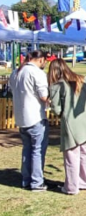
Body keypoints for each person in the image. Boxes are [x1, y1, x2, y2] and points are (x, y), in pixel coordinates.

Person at [48, 59, 86, 195]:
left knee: (71, 155)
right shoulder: (83, 79)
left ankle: (72, 187)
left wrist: (61, 114)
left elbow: (56, 108)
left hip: (71, 123)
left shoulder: (57, 85)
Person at [9, 50, 49, 191]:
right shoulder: (37, 73)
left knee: (27, 149)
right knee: (37, 150)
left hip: (21, 117)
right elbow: (44, 96)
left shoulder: (16, 72)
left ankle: (26, 179)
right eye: (46, 60)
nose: (46, 63)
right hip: (36, 116)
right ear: (41, 59)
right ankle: (37, 182)